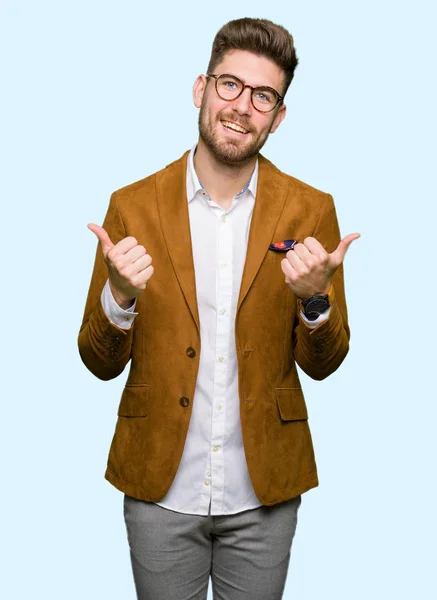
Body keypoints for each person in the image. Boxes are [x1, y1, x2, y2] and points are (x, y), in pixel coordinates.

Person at [78, 16, 360, 600]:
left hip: (264, 488)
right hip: (159, 485)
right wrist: (120, 297)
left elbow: (325, 363)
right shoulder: (130, 205)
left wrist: (314, 299)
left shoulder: (312, 209)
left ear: (278, 117)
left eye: (263, 96)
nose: (242, 107)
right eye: (230, 85)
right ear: (201, 88)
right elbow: (98, 361)